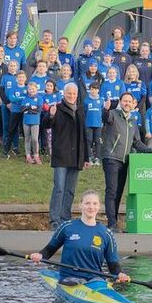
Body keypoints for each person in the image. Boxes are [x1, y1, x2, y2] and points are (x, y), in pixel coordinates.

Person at [29, 190, 129, 284]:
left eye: (95, 203)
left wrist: (120, 274)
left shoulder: (106, 233)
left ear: (99, 207)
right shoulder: (67, 227)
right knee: (74, 281)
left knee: (98, 282)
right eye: (87, 203)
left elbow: (113, 265)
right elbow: (49, 250)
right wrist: (39, 256)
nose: (91, 207)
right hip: (69, 279)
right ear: (80, 205)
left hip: (95, 281)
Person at [99, 92, 152, 232]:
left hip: (125, 161)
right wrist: (105, 109)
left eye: (129, 101)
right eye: (124, 101)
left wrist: (151, 151)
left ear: (133, 104)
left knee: (118, 192)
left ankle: (114, 221)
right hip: (111, 158)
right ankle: (111, 224)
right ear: (120, 102)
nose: (127, 103)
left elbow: (137, 143)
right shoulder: (113, 114)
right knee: (111, 191)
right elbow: (105, 117)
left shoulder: (133, 122)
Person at [42, 83, 87, 230]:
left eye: (74, 94)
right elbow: (46, 125)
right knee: (59, 188)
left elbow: (83, 135)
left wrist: (85, 157)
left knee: (70, 190)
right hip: (61, 155)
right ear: (64, 94)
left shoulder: (80, 109)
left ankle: (65, 218)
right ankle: (55, 220)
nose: (72, 96)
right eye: (69, 94)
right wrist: (51, 115)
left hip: (76, 156)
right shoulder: (57, 108)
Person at [0, 60, 20, 158]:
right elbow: (2, 91)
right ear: (8, 67)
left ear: (17, 67)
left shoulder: (19, 78)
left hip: (16, 107)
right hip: (5, 105)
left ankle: (15, 146)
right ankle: (6, 145)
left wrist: (14, 103)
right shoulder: (5, 77)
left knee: (15, 127)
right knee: (6, 125)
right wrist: (7, 103)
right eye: (10, 65)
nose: (12, 67)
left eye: (14, 66)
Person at [20, 81, 43, 165]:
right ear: (27, 90)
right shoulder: (25, 99)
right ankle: (28, 156)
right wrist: (30, 107)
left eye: (33, 89)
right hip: (26, 121)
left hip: (35, 121)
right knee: (27, 138)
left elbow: (38, 110)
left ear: (36, 89)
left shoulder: (39, 98)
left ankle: (36, 155)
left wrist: (28, 109)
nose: (31, 91)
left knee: (34, 139)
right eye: (29, 89)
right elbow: (22, 109)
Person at [84, 82, 105, 166]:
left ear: (98, 90)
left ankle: (97, 158)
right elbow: (84, 112)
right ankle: (89, 157)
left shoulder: (101, 101)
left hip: (98, 125)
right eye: (92, 89)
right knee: (88, 141)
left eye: (95, 89)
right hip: (88, 124)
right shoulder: (86, 101)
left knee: (97, 141)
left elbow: (103, 113)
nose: (93, 91)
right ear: (89, 90)